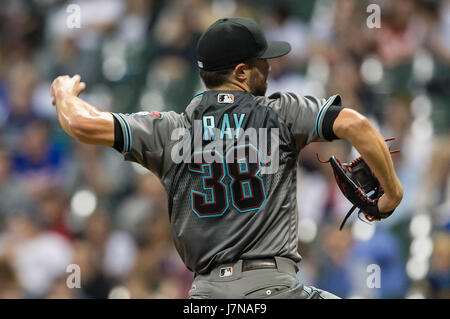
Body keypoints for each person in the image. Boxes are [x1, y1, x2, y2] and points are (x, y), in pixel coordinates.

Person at [50, 17, 403, 299]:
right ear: (241, 72)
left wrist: (64, 93)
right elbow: (355, 124)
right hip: (274, 288)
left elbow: (80, 123)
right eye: (261, 60)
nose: (268, 65)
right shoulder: (280, 113)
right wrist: (392, 192)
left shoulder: (170, 130)